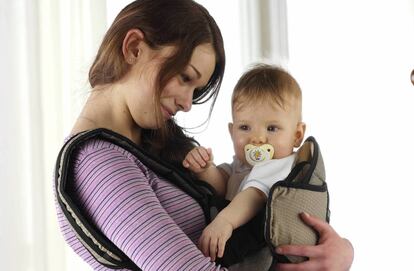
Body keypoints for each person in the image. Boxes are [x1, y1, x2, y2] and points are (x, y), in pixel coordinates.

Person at [54, 0, 354, 270]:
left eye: (195, 90)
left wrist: (341, 253)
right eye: (185, 78)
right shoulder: (98, 162)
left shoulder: (150, 144)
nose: (187, 103)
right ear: (134, 48)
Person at [183, 64, 306, 260]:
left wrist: (225, 221)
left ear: (297, 135)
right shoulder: (243, 165)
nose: (257, 138)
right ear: (232, 132)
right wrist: (205, 169)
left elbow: (254, 195)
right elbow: (222, 185)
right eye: (245, 127)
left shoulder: (282, 165)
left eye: (272, 128)